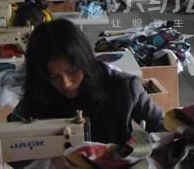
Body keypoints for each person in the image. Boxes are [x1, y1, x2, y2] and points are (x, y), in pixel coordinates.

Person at [9, 19, 165, 144]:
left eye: (72, 71)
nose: (66, 84)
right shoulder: (39, 93)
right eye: (54, 76)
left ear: (86, 61)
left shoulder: (124, 88)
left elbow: (164, 131)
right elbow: (10, 140)